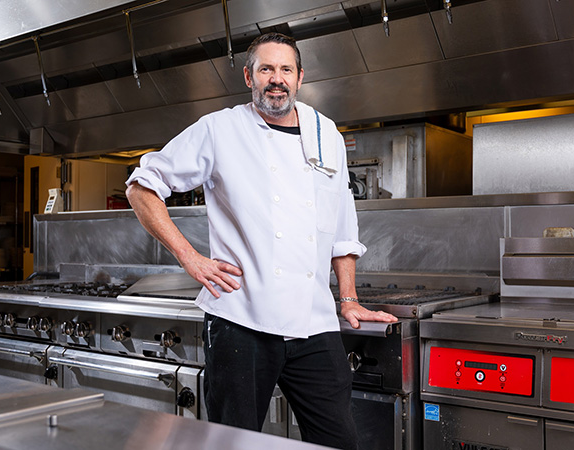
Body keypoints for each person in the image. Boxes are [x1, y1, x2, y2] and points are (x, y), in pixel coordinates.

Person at [125, 32, 397, 450]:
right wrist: (190, 258)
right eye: (266, 69)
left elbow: (342, 226)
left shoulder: (326, 133)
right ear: (248, 76)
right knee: (233, 443)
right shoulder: (219, 129)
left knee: (338, 439)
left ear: (300, 77)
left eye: (285, 69)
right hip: (241, 320)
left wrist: (348, 298)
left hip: (314, 321)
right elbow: (142, 187)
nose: (277, 79)